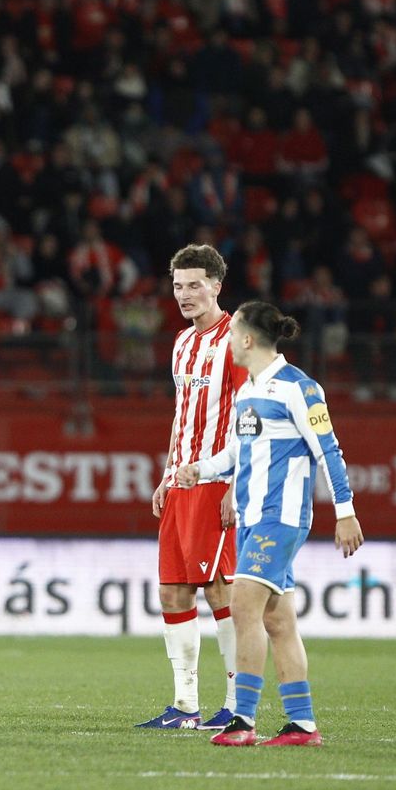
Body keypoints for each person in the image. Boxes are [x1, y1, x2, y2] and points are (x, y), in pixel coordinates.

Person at [176, 302, 365, 747]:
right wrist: (199, 470)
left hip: (280, 518)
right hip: (253, 519)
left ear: (246, 338)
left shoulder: (300, 388)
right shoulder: (247, 392)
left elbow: (329, 451)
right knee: (279, 623)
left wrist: (345, 512)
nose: (225, 342)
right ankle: (302, 724)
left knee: (243, 609)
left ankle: (242, 720)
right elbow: (237, 456)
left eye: (230, 334)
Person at [137, 245, 245, 732]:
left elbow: (253, 415)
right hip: (180, 484)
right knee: (172, 591)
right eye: (178, 286)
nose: (185, 294)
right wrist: (166, 474)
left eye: (195, 284)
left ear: (217, 285)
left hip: (217, 480)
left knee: (220, 589)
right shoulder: (181, 343)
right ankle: (185, 706)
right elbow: (182, 418)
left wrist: (236, 484)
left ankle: (236, 704)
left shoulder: (238, 340)